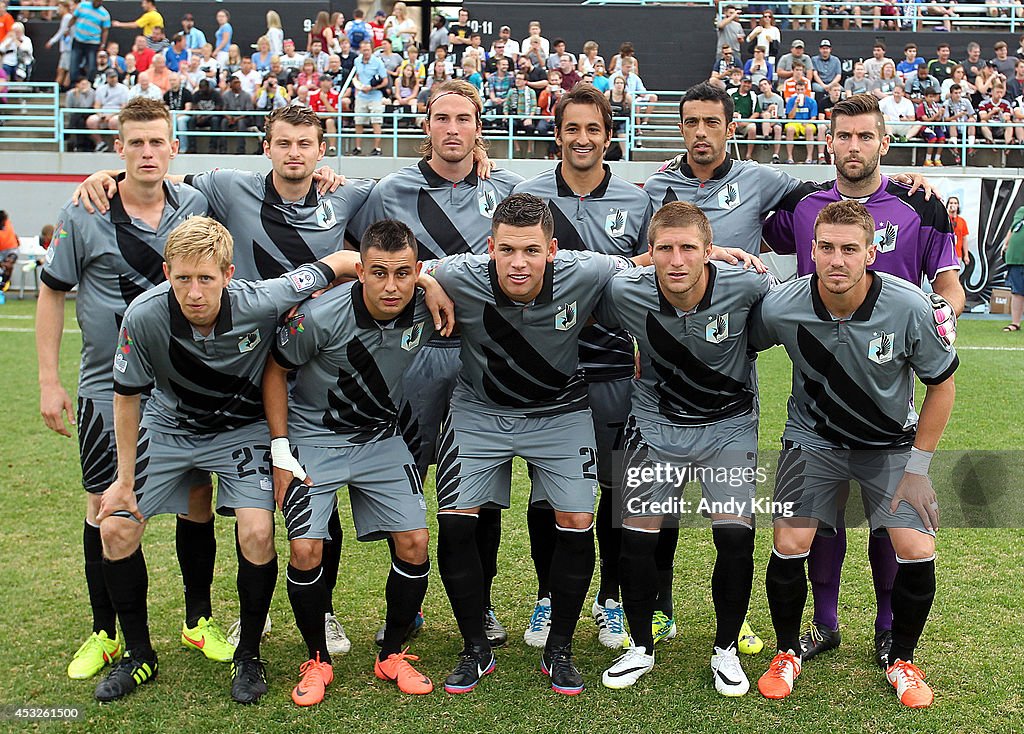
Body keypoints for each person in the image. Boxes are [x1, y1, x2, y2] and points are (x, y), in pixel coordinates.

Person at [72, 105, 359, 655]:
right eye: (283, 142)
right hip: (233, 384)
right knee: (170, 511)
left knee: (309, 497)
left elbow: (350, 257)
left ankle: (319, 613)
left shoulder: (348, 196)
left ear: (322, 149)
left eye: (306, 143)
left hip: (307, 375)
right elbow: (160, 172)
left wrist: (425, 276)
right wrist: (108, 177)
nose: (294, 152)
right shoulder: (230, 189)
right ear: (266, 146)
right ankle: (175, 637)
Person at [93, 215, 360, 703]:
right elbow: (127, 395)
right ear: (166, 273)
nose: (194, 292)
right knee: (115, 525)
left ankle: (249, 656)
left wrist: (424, 279)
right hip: (171, 427)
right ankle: (138, 654)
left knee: (258, 532)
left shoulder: (264, 299)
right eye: (182, 278)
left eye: (206, 279)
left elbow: (341, 261)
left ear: (229, 274)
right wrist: (123, 479)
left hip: (242, 430)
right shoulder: (144, 315)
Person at [761, 95, 962, 671]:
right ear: (830, 142)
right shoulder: (802, 204)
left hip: (888, 383)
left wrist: (937, 323)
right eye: (843, 136)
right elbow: (734, 221)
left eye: (865, 137)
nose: (854, 147)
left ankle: (887, 631)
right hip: (820, 393)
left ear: (883, 142)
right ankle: (821, 627)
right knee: (816, 523)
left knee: (889, 524)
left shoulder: (918, 203)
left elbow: (947, 284)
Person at [424, 193, 646, 695]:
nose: (517, 263)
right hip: (480, 412)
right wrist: (425, 281)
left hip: (560, 412)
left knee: (576, 522)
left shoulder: (586, 270)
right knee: (457, 525)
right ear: (490, 248)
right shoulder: (460, 273)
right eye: (506, 251)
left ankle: (559, 650)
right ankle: (475, 649)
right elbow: (397, 266)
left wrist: (718, 253)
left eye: (529, 250)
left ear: (552, 248)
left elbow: (646, 261)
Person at [37, 99, 219, 686]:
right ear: (120, 148)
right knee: (105, 508)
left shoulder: (193, 204)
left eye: (157, 143)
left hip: (183, 391)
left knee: (196, 504)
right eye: (135, 142)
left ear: (173, 148)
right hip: (102, 389)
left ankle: (198, 619)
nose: (147, 153)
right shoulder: (85, 210)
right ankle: (108, 632)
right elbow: (52, 292)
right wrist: (48, 379)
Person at [349, 81, 524, 649]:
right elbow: (360, 257)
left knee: (482, 489)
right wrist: (424, 277)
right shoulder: (388, 191)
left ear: (480, 126)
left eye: (464, 118)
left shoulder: (509, 190)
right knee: (408, 480)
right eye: (441, 118)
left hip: (483, 361)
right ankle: (407, 604)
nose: (453, 128)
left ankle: (484, 603)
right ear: (425, 126)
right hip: (410, 360)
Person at [264, 219, 453, 704]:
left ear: (417, 273)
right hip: (314, 438)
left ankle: (392, 654)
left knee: (414, 541)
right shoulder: (319, 316)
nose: (391, 286)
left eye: (404, 274)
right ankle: (317, 660)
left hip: (380, 439)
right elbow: (275, 370)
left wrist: (429, 283)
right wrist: (282, 450)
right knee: (306, 551)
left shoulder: (423, 305)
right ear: (360, 272)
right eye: (379, 273)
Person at [595, 196, 773, 694]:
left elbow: (792, 312)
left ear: (709, 250)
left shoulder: (748, 283)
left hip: (729, 427)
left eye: (689, 248)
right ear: (649, 253)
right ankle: (639, 647)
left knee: (735, 537)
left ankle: (725, 651)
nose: (677, 260)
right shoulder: (624, 290)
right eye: (666, 249)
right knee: (636, 538)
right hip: (655, 425)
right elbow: (574, 286)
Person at [513, 86, 654, 652]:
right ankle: (549, 596)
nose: (582, 139)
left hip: (615, 367)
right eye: (572, 129)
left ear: (608, 135)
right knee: (548, 493)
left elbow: (652, 279)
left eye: (593, 129)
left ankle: (610, 600)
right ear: (557, 134)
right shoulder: (526, 197)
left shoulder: (635, 201)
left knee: (615, 489)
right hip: (546, 371)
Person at [352, 40, 388, 156]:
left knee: (376, 121)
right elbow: (356, 76)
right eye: (364, 50)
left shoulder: (378, 62)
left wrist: (372, 87)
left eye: (368, 50)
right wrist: (358, 85)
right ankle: (357, 147)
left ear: (371, 50)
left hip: (375, 95)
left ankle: (377, 148)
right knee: (358, 121)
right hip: (361, 95)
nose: (366, 52)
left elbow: (385, 81)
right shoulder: (357, 61)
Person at [69, 0, 110, 84]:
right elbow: (74, 18)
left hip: (93, 43)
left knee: (91, 66)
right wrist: (67, 28)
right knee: (74, 64)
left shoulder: (105, 14)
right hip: (78, 40)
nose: (98, 2)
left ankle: (90, 84)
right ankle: (74, 84)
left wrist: (103, 44)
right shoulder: (82, 6)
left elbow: (105, 30)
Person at [1001, 205, 1024, 332]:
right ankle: (1015, 323)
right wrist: (1005, 245)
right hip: (1016, 259)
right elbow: (1013, 229)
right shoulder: (1021, 211)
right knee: (1017, 292)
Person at [784, 79, 818, 164]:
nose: (800, 92)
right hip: (795, 122)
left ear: (805, 90)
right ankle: (790, 157)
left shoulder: (812, 101)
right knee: (790, 129)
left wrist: (808, 122)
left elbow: (814, 117)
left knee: (809, 129)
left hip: (807, 122)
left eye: (802, 89)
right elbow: (790, 117)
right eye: (798, 90)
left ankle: (809, 157)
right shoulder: (791, 100)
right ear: (795, 90)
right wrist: (795, 105)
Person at [915, 87, 946, 167]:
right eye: (930, 97)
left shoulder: (935, 106)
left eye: (933, 97)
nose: (932, 99)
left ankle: (937, 159)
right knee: (933, 138)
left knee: (942, 138)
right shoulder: (921, 107)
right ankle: (927, 160)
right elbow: (926, 120)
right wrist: (936, 115)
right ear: (925, 97)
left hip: (935, 126)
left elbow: (938, 119)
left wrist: (940, 114)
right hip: (924, 127)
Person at [757, 77, 784, 163]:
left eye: (765, 84)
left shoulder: (779, 99)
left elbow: (779, 116)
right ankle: (766, 138)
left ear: (770, 86)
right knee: (766, 114)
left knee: (778, 128)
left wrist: (770, 125)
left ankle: (776, 154)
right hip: (762, 122)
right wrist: (768, 110)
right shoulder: (758, 98)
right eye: (761, 85)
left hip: (774, 122)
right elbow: (759, 114)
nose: (763, 86)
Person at [947, 196, 970, 271]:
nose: (953, 205)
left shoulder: (962, 221)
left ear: (958, 206)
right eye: (951, 203)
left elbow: (964, 239)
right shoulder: (944, 219)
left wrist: (966, 255)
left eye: (955, 203)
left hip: (957, 254)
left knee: (956, 276)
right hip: (945, 254)